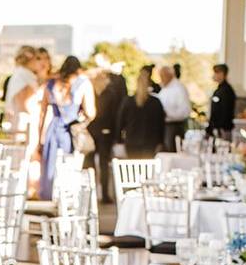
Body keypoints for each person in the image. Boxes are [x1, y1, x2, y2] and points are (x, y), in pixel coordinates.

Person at [36, 56, 95, 200]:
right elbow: (91, 112)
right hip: (70, 130)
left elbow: (42, 112)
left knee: (50, 165)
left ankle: (49, 197)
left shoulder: (51, 84)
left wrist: (40, 137)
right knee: (69, 165)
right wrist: (81, 118)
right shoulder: (83, 83)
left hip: (53, 128)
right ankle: (66, 198)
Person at [117, 71, 166, 159]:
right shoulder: (155, 102)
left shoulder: (128, 101)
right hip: (150, 142)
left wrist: (118, 139)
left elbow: (120, 122)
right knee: (147, 170)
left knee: (133, 169)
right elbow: (161, 124)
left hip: (132, 141)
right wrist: (161, 142)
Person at [89, 70, 118, 203]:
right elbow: (114, 115)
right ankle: (98, 193)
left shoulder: (107, 93)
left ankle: (101, 193)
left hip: (99, 130)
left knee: (100, 164)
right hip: (99, 131)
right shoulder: (97, 92)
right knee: (99, 163)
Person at [4, 46, 40, 137]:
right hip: (24, 122)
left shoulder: (21, 74)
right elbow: (22, 103)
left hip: (22, 120)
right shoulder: (23, 76)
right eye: (37, 59)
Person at [155, 65, 191, 152]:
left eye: (162, 76)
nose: (161, 79)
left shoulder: (179, 88)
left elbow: (185, 111)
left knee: (171, 151)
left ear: (169, 75)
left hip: (174, 127)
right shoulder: (165, 88)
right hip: (164, 125)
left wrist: (167, 113)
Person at [207, 63, 236, 139]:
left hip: (223, 129)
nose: (213, 75)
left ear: (221, 74)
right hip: (218, 128)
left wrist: (218, 127)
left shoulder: (226, 91)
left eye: (215, 73)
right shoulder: (219, 90)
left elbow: (225, 111)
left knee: (223, 148)